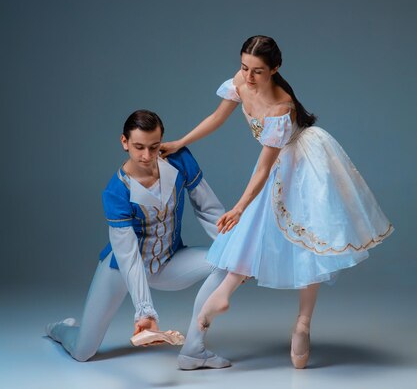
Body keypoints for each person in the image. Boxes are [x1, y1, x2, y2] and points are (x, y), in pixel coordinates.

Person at [161, 35, 393, 370]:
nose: (248, 77)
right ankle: (226, 292)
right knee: (256, 225)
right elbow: (217, 117)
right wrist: (181, 141)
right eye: (244, 68)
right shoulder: (241, 81)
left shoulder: (281, 107)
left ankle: (302, 324)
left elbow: (265, 166)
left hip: (307, 162)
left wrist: (239, 206)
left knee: (311, 242)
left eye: (257, 71)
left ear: (275, 69)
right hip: (282, 162)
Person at [45, 109, 229, 367]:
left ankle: (194, 350)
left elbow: (209, 210)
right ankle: (60, 328)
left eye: (154, 147)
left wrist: (234, 247)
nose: (146, 156)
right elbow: (129, 257)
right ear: (124, 142)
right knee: (83, 351)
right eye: (138, 147)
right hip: (122, 269)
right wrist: (145, 311)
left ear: (162, 140)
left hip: (170, 261)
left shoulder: (179, 160)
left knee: (228, 262)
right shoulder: (116, 191)